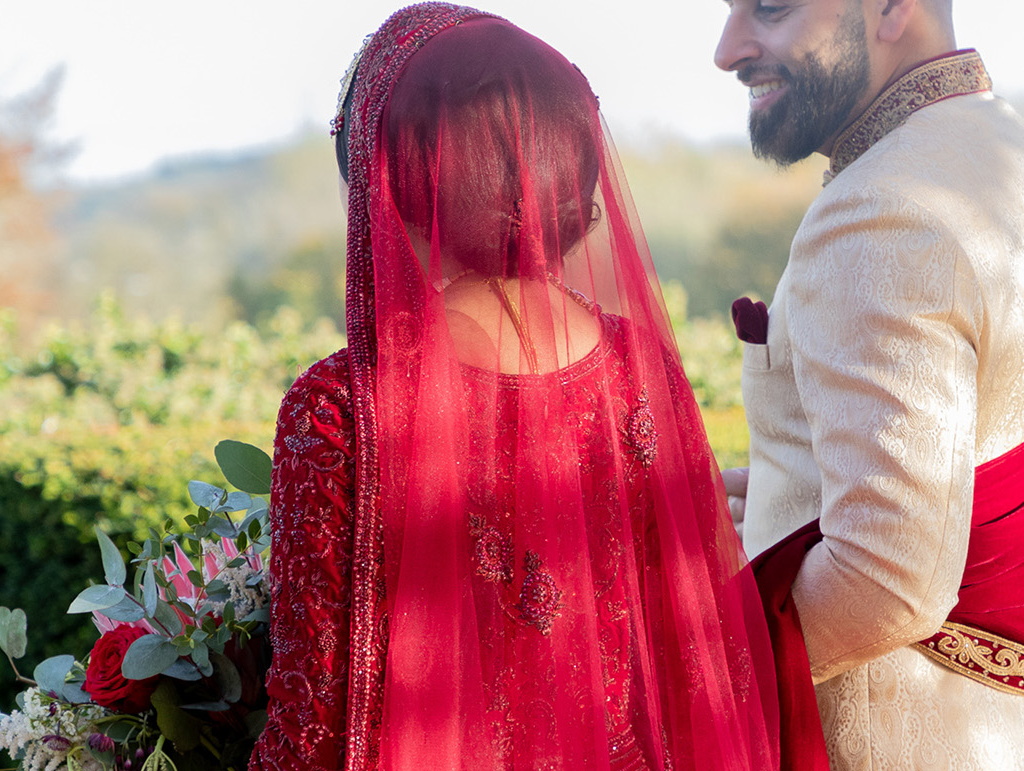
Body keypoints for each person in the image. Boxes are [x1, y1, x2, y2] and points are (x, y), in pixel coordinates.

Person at [249, 5, 819, 770]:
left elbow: (311, 724)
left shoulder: (340, 411)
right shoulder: (635, 366)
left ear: (393, 176)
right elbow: (695, 660)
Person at [714, 0, 1024, 769]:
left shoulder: (879, 207)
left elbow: (889, 580)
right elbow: (982, 483)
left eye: (772, 7)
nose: (728, 49)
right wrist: (789, 499)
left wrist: (695, 661)